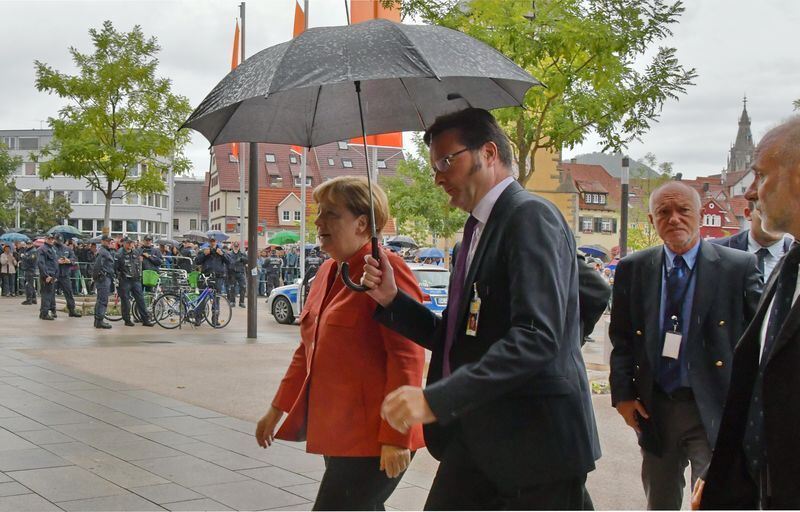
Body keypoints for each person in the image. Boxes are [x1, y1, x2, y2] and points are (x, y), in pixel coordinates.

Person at [361, 108, 600, 509]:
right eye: (433, 165)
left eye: (445, 161)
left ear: (488, 153)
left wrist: (437, 399)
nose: (437, 176)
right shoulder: (470, 237)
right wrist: (392, 300)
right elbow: (460, 338)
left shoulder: (529, 216)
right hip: (478, 437)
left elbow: (537, 337)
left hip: (534, 446)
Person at [255, 176, 425, 510]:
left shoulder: (386, 271)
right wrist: (276, 410)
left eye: (331, 214)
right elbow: (306, 352)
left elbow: (408, 357)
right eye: (319, 213)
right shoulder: (328, 272)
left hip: (375, 436)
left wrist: (395, 436)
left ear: (363, 223)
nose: (318, 222)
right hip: (339, 432)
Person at [609, 181, 761, 510]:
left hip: (713, 405)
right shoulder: (633, 269)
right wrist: (622, 395)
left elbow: (757, 344)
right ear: (651, 220)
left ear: (699, 213)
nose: (674, 218)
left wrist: (748, 410)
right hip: (656, 407)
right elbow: (620, 338)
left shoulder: (738, 267)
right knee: (660, 501)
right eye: (664, 212)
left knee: (711, 501)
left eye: (683, 210)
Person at [695, 117, 800, 509]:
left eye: (760, 176)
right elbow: (758, 385)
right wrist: (721, 470)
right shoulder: (788, 266)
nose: (751, 193)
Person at [712, 200, 793, 283]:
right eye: (766, 211)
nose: (776, 218)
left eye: (783, 212)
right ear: (748, 213)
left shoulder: (795, 255)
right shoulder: (714, 251)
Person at [115, 237, 154, 327]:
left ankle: (145, 320)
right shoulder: (119, 254)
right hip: (125, 280)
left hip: (136, 280)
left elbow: (140, 263)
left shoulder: (136, 252)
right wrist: (118, 278)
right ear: (123, 243)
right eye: (128, 243)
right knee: (126, 301)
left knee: (141, 300)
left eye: (131, 243)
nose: (130, 245)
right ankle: (127, 320)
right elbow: (115, 268)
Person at [194, 236, 231, 326]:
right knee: (202, 298)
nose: (212, 243)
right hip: (206, 277)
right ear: (209, 242)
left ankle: (215, 319)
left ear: (216, 241)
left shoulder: (221, 250)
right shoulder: (204, 250)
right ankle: (198, 318)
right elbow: (197, 261)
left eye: (214, 241)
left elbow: (229, 261)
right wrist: (204, 254)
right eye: (211, 241)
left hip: (218, 277)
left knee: (216, 298)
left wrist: (222, 254)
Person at [53, 234, 82, 318]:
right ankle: (52, 310)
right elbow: (49, 259)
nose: (59, 242)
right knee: (51, 293)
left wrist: (68, 260)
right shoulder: (51, 248)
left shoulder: (67, 248)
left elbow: (74, 259)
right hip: (54, 273)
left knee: (69, 292)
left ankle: (72, 310)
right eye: (58, 240)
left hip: (65, 274)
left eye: (61, 241)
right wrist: (57, 261)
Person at [92, 235, 115, 329]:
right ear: (102, 241)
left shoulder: (105, 251)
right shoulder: (103, 252)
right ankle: (99, 320)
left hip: (105, 278)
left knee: (100, 300)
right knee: (103, 300)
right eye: (107, 241)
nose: (109, 242)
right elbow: (97, 266)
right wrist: (97, 278)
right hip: (103, 278)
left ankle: (98, 320)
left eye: (110, 241)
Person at [37, 234, 59, 320]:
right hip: (47, 276)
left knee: (49, 295)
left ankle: (43, 313)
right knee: (46, 295)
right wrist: (46, 275)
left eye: (52, 239)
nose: (51, 240)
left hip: (52, 275)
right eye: (49, 239)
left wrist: (55, 275)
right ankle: (44, 313)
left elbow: (54, 263)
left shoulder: (52, 249)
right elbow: (41, 263)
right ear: (45, 239)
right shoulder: (42, 249)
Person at [227, 241, 247, 308]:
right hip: (232, 273)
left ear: (238, 247)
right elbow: (227, 262)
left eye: (237, 246)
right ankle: (232, 301)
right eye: (235, 246)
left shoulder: (242, 254)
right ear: (232, 246)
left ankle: (241, 302)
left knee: (243, 287)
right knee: (232, 287)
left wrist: (242, 259)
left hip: (240, 272)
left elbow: (247, 260)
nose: (236, 247)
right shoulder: (229, 254)